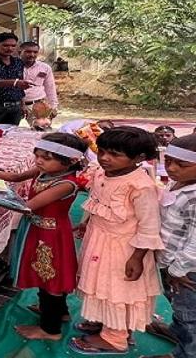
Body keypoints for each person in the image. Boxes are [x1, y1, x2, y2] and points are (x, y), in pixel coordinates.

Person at [0, 133, 88, 341]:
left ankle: (50, 329)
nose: (39, 161)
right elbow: (14, 178)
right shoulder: (43, 171)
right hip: (37, 229)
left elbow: (27, 206)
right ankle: (60, 312)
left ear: (70, 161)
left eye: (46, 158)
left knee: (51, 278)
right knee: (45, 275)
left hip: (51, 235)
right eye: (37, 155)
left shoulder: (66, 184)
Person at [69, 126, 164, 355]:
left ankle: (115, 338)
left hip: (124, 248)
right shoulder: (102, 173)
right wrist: (86, 223)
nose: (104, 158)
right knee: (100, 284)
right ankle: (108, 323)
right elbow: (98, 203)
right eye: (101, 151)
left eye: (115, 154)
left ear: (139, 158)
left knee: (117, 290)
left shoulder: (141, 186)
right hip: (99, 239)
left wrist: (137, 257)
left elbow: (149, 225)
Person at [144, 134, 196, 358]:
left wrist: (178, 270)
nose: (171, 168)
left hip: (187, 270)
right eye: (168, 160)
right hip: (171, 262)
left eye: (181, 165)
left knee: (189, 313)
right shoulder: (178, 183)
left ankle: (186, 354)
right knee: (177, 304)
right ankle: (175, 332)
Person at [0, 32, 32, 125]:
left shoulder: (18, 62)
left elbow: (20, 87)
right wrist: (15, 82)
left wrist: (23, 105)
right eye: (5, 45)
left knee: (12, 135)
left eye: (13, 46)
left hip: (15, 108)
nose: (10, 48)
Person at [20, 41, 58, 130]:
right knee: (9, 130)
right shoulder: (14, 67)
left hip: (39, 104)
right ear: (20, 52)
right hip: (18, 105)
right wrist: (21, 105)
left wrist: (53, 106)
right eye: (28, 52)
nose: (32, 55)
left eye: (35, 52)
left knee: (41, 130)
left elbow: (50, 88)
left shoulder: (44, 68)